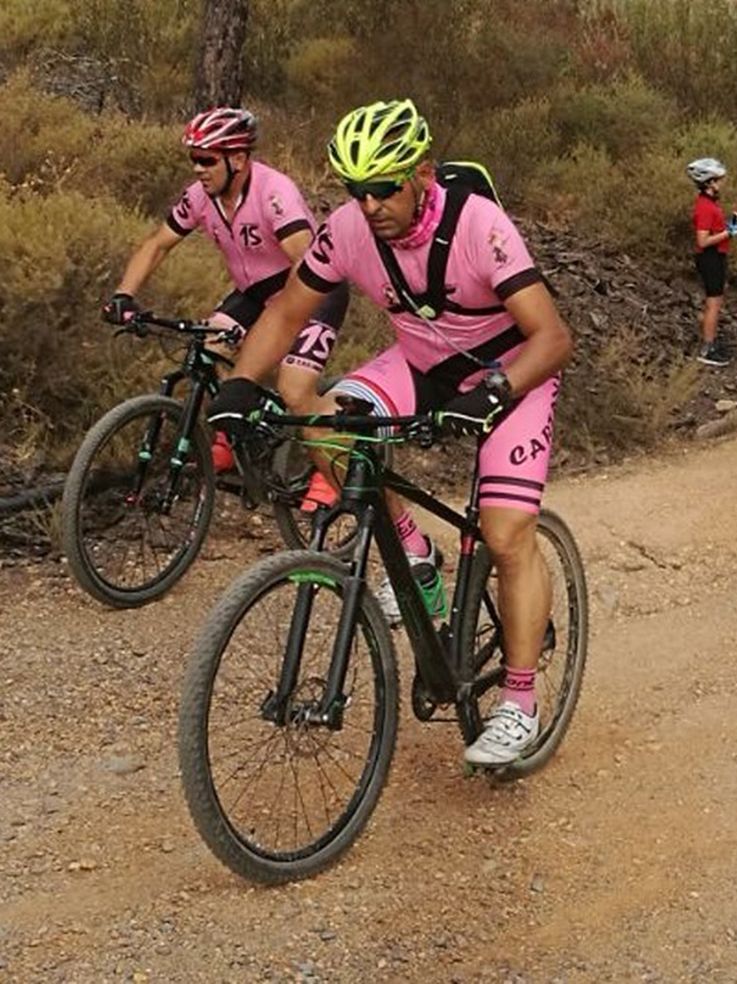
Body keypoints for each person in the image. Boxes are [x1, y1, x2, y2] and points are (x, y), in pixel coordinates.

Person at [207, 99, 574, 768]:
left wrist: (492, 390)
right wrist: (239, 387)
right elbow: (288, 310)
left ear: (422, 174)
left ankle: (519, 703)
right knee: (324, 414)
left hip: (508, 371)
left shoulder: (478, 225)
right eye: (356, 189)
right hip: (421, 362)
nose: (369, 204)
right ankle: (415, 558)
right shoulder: (347, 229)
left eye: (383, 187)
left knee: (504, 535)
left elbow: (552, 336)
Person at [102, 107, 348, 496]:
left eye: (206, 159)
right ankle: (233, 438)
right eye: (193, 159)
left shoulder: (274, 193)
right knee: (211, 344)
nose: (198, 169)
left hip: (312, 291)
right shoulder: (200, 196)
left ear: (238, 158)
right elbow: (157, 245)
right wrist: (123, 294)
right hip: (255, 291)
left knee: (294, 388)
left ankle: (332, 467)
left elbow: (307, 263)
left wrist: (278, 335)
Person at [687, 157, 737, 367]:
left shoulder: (708, 204)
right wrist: (729, 233)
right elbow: (703, 240)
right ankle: (707, 348)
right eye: (719, 180)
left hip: (714, 256)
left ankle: (711, 342)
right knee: (713, 304)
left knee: (714, 302)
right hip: (710, 257)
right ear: (709, 182)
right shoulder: (705, 207)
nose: (721, 183)